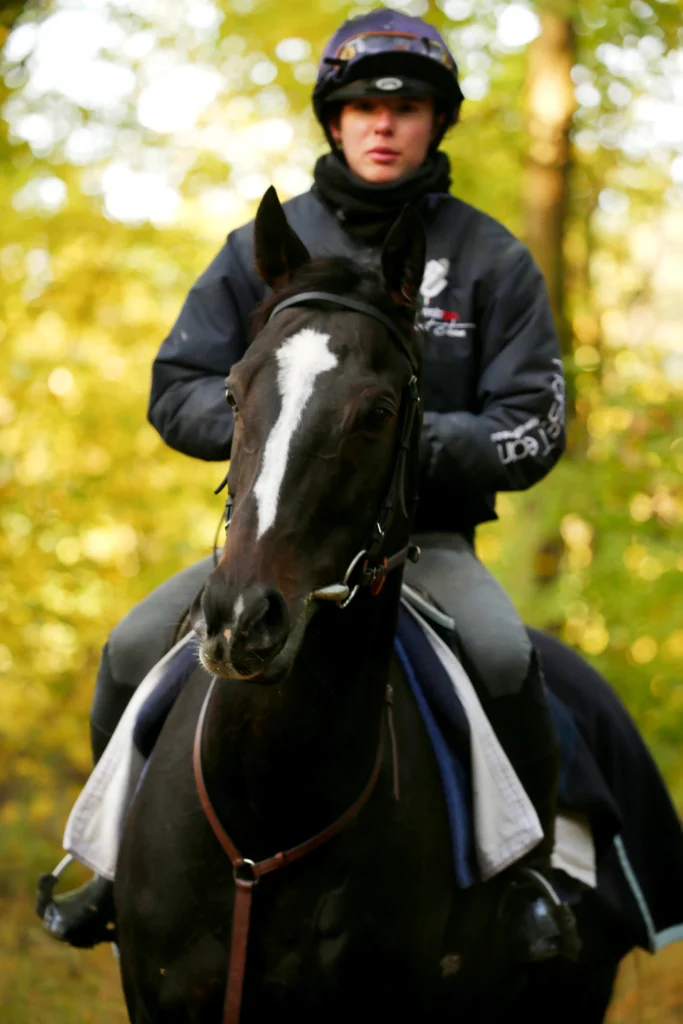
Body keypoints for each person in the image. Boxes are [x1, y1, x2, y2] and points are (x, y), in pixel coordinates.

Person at [38, 9, 576, 962]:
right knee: (127, 649)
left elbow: (533, 425)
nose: (383, 123)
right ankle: (115, 869)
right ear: (334, 119)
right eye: (364, 104)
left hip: (428, 546)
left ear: (436, 122)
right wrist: (279, 432)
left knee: (501, 657)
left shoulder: (493, 258)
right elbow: (178, 387)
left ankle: (521, 880)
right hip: (274, 532)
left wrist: (396, 447)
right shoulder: (268, 245)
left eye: (405, 106)